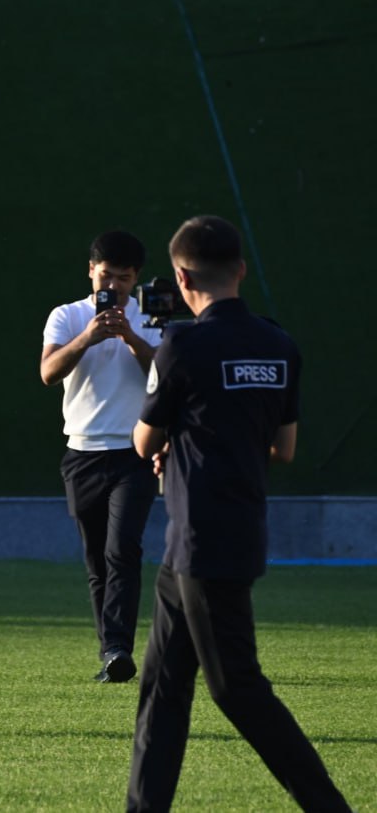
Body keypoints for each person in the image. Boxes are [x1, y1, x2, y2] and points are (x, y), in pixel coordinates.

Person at [126, 216, 350, 811]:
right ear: (241, 270)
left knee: (236, 688)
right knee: (163, 686)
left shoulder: (182, 345)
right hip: (226, 533)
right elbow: (284, 448)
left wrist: (175, 440)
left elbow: (144, 443)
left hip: (202, 539)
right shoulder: (279, 344)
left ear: (181, 277)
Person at [41, 231, 162, 683]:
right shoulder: (67, 316)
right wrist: (88, 337)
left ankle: (118, 649)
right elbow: (48, 372)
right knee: (97, 559)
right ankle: (110, 651)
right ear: (91, 271)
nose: (113, 286)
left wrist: (131, 337)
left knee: (123, 549)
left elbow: (167, 374)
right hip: (83, 452)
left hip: (135, 452)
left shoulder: (151, 316)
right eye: (106, 275)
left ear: (136, 278)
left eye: (124, 278)